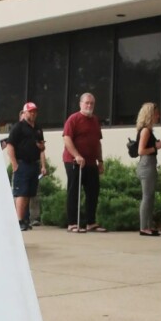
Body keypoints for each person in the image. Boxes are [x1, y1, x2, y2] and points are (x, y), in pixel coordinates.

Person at [62, 92, 106, 233]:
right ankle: (73, 223)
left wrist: (100, 161)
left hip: (91, 162)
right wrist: (77, 155)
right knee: (74, 191)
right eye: (86, 103)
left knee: (93, 191)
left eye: (91, 103)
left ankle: (90, 222)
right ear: (81, 104)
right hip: (74, 161)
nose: (89, 105)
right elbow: (67, 138)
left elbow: (97, 142)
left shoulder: (95, 120)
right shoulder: (73, 119)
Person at [6, 102, 47, 231]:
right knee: (21, 193)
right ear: (24, 113)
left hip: (33, 164)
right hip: (22, 163)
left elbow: (42, 148)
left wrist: (42, 163)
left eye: (34, 111)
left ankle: (25, 219)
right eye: (30, 111)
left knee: (29, 193)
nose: (33, 114)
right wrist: (14, 164)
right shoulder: (18, 127)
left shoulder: (38, 129)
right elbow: (10, 145)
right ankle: (18, 220)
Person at [135, 102, 161, 236]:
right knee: (147, 196)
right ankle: (144, 227)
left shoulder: (147, 130)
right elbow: (141, 150)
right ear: (150, 114)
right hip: (147, 164)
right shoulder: (146, 130)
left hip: (148, 164)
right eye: (156, 113)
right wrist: (155, 147)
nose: (158, 116)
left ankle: (147, 225)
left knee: (150, 196)